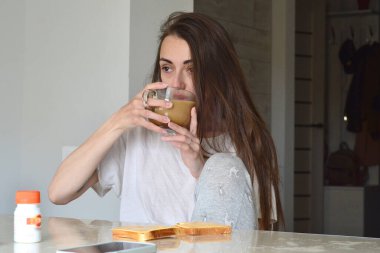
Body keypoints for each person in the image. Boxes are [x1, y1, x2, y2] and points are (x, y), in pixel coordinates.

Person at [49, 12, 283, 230]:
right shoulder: (138, 136)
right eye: (167, 68)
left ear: (219, 73)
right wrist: (117, 121)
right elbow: (59, 192)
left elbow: (254, 241)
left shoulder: (246, 143)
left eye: (192, 69)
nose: (176, 84)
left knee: (223, 166)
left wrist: (200, 170)